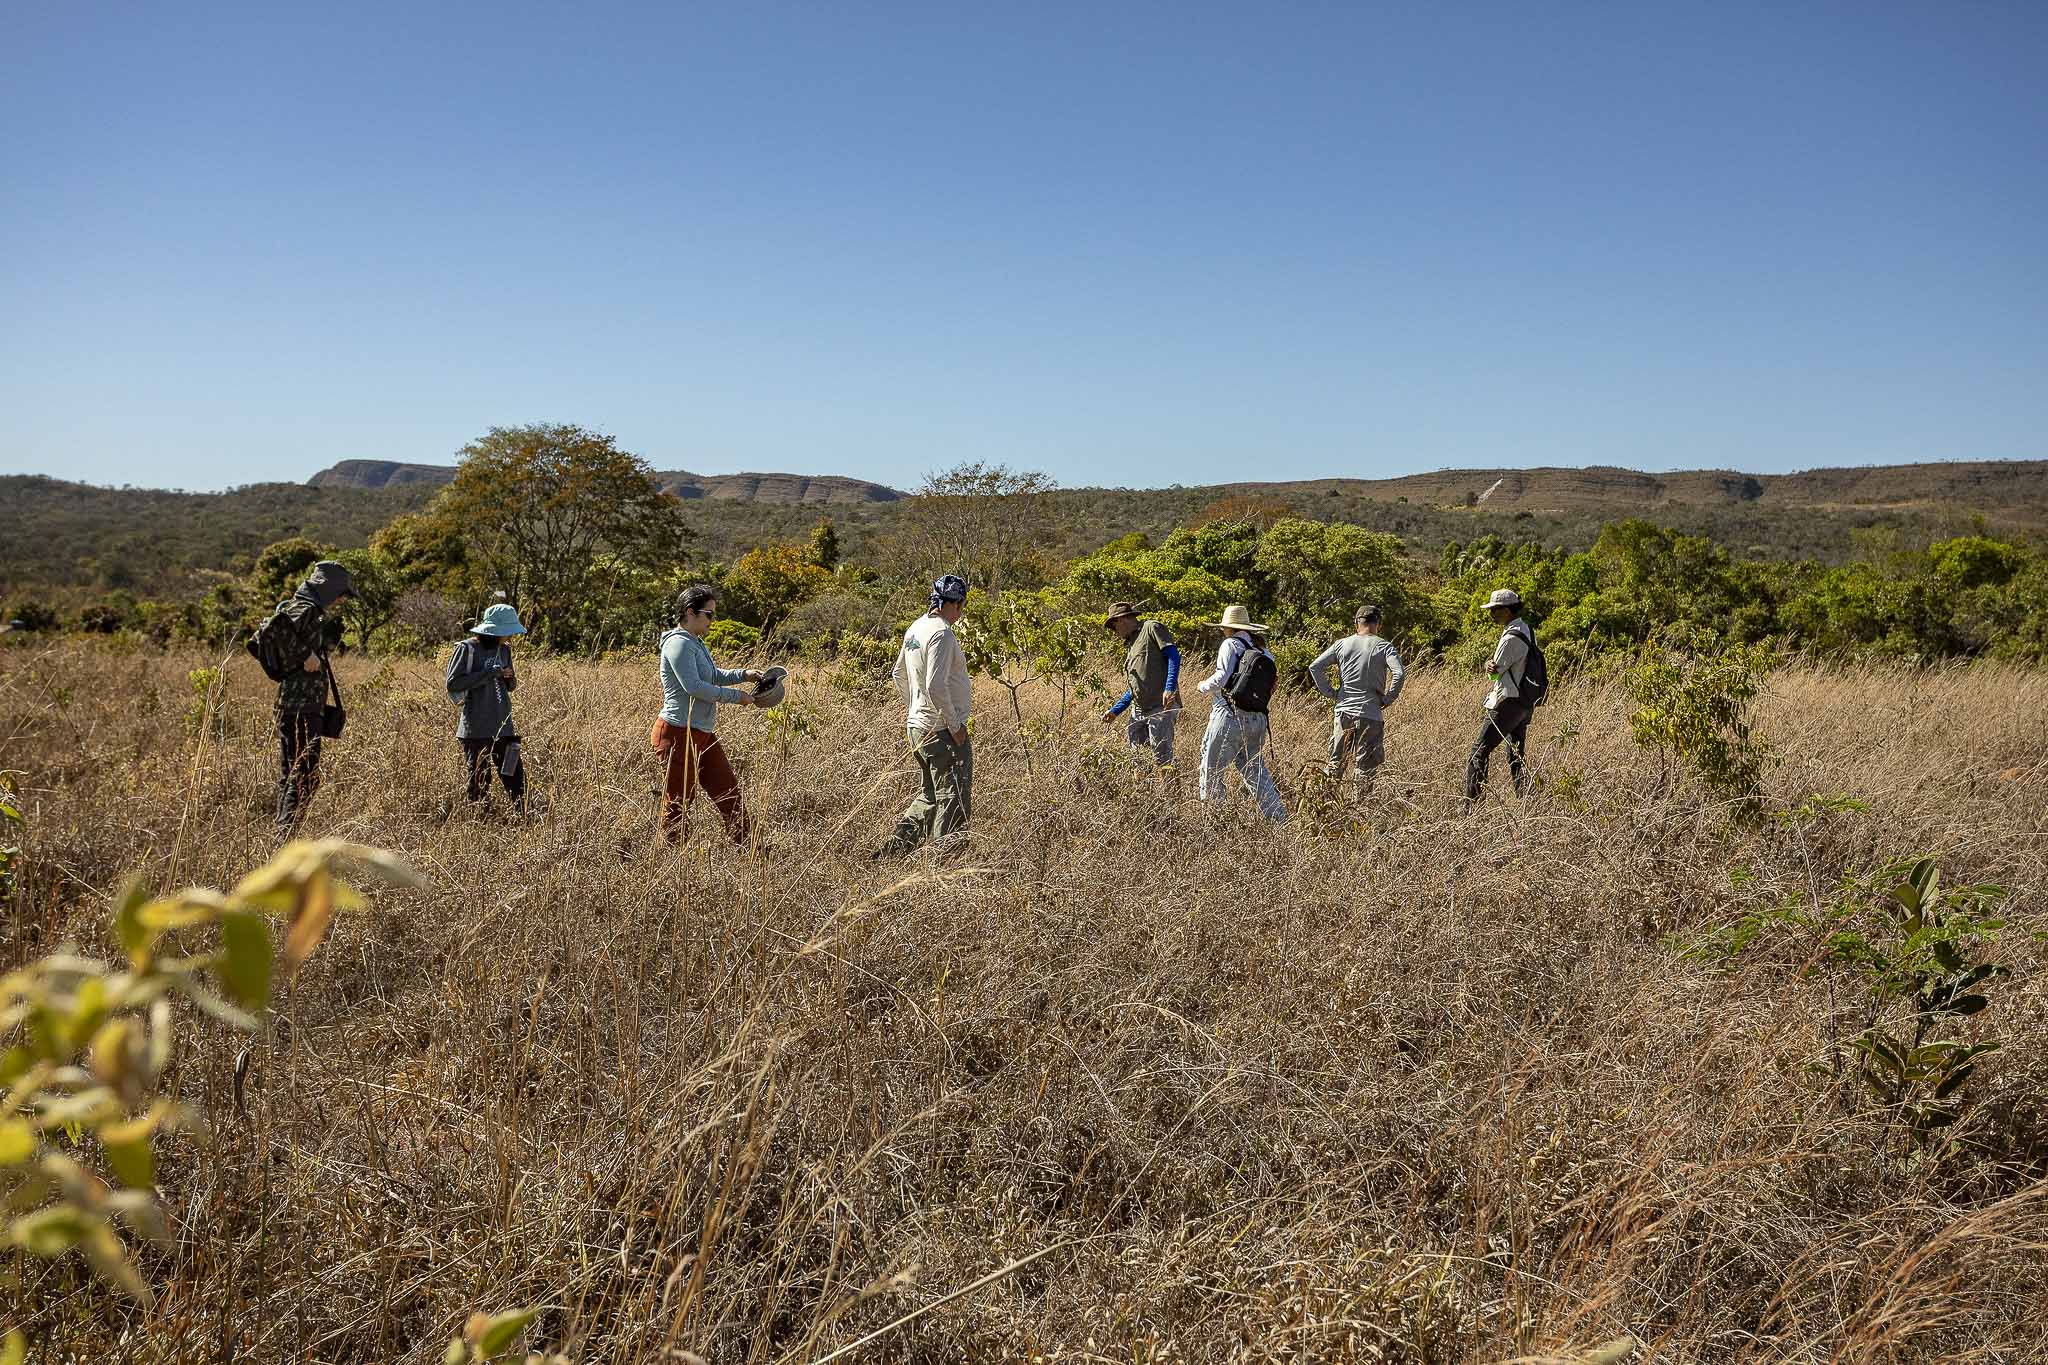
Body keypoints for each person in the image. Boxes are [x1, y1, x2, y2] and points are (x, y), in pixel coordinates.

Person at [652, 584, 770, 845]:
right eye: (709, 614)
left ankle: (751, 850)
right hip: (678, 732)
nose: (712, 621)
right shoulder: (678, 645)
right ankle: (671, 861)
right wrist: (736, 697)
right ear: (690, 612)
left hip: (701, 732)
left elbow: (713, 676)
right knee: (679, 801)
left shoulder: (696, 643)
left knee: (727, 791)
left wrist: (744, 675)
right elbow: (693, 687)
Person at [876, 574, 973, 858]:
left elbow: (898, 674)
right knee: (953, 798)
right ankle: (946, 865)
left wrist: (915, 708)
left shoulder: (915, 628)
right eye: (961, 606)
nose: (960, 612)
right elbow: (934, 684)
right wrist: (954, 725)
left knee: (930, 795)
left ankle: (893, 852)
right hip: (941, 730)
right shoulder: (942, 632)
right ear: (955, 603)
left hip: (917, 727)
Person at [273, 561, 353, 828]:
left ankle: (284, 831)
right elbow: (277, 630)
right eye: (341, 593)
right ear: (328, 589)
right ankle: (287, 834)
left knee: (293, 773)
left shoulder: (306, 609)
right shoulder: (304, 608)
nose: (342, 599)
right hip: (301, 708)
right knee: (304, 776)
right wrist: (305, 654)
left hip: (297, 706)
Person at [1194, 605, 1287, 823]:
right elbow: (1272, 686)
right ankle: (1279, 820)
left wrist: (1201, 686)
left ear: (1228, 627)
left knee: (1213, 770)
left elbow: (1222, 678)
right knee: (1256, 772)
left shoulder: (1230, 644)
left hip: (1229, 715)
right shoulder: (1265, 652)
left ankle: (1214, 822)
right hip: (1258, 719)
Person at [1308, 605, 1406, 797]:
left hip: (1344, 711)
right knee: (1365, 770)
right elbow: (1399, 673)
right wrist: (1388, 698)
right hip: (1371, 714)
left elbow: (1315, 667)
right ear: (1378, 624)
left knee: (1336, 764)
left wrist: (1332, 693)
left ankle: (1325, 809)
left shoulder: (1341, 644)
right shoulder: (1384, 646)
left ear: (1357, 623)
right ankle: (1359, 815)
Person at [446, 602, 527, 812]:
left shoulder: (505, 650)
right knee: (479, 784)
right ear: (494, 631)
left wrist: (509, 678)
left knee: (516, 780)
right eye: (506, 632)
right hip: (476, 729)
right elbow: (453, 683)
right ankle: (479, 826)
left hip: (504, 727)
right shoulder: (467, 649)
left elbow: (510, 685)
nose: (510, 636)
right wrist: (490, 673)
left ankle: (528, 820)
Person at [1465, 587, 1537, 805]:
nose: (1492, 614)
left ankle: (1472, 808)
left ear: (1507, 610)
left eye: (1495, 609)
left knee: (1477, 753)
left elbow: (1495, 675)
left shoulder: (1510, 637)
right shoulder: (1527, 630)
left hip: (1507, 702)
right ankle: (1526, 802)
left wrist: (1489, 667)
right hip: (1524, 702)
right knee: (1516, 756)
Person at [1098, 601, 1182, 785]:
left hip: (1160, 706)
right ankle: (1143, 797)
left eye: (1113, 626)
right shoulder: (1130, 644)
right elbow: (1135, 688)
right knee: (1137, 757)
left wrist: (1169, 688)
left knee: (1162, 757)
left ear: (1121, 619)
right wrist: (1115, 711)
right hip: (1139, 709)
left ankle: (1172, 801)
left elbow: (1174, 656)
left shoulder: (1151, 628)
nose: (1114, 631)